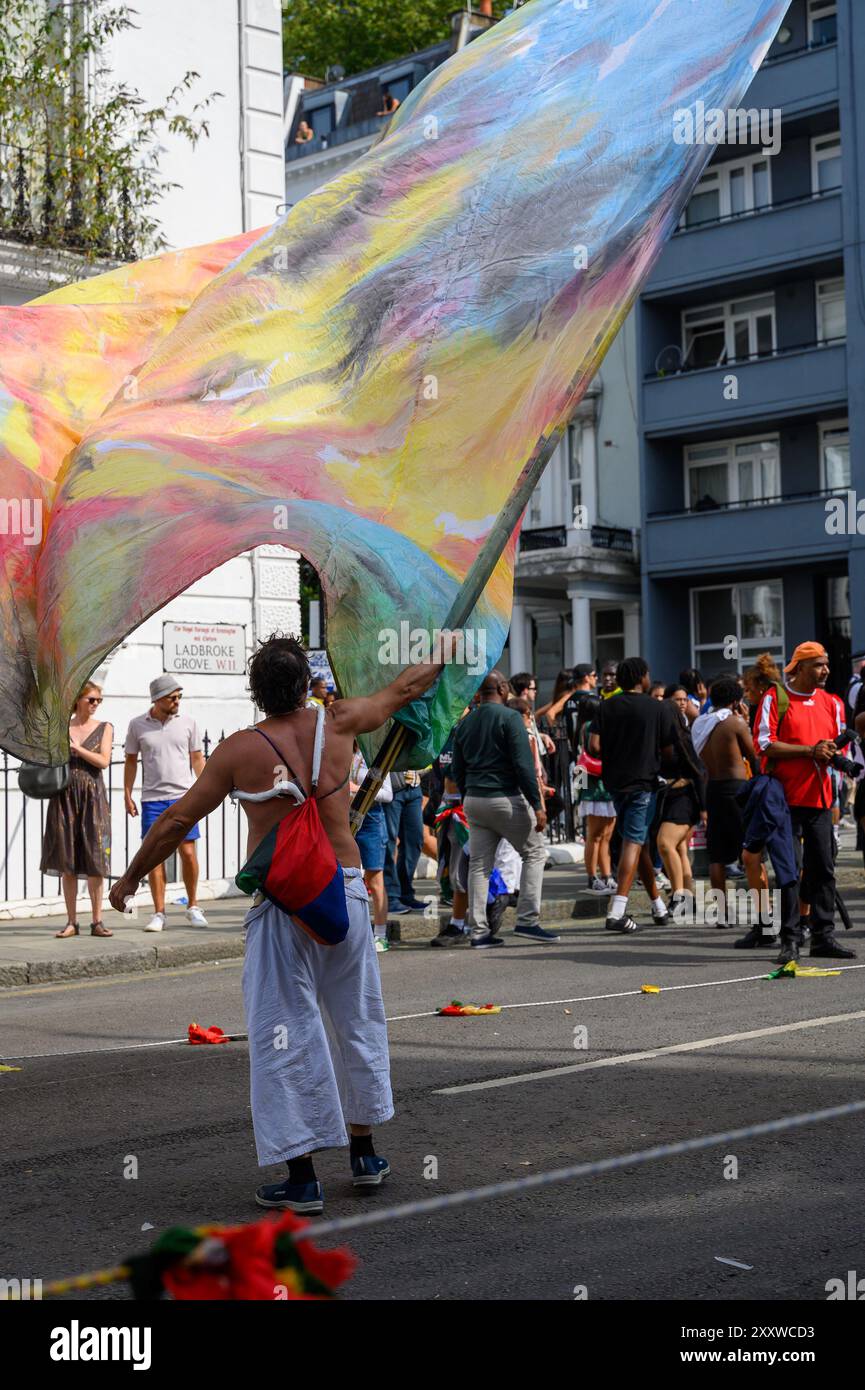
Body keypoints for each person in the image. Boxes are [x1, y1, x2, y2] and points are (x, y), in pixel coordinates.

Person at [110, 630, 458, 1213]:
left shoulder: (238, 751)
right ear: (305, 685)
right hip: (345, 893)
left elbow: (174, 820)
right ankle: (364, 1156)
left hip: (283, 902)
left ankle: (302, 1179)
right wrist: (447, 645)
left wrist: (128, 879)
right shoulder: (340, 721)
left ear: (255, 691)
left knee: (285, 1030)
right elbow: (409, 685)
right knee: (356, 1019)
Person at [755, 641, 855, 964]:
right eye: (818, 664)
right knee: (789, 873)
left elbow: (836, 749)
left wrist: (835, 756)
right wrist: (809, 750)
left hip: (821, 799)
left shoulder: (834, 703)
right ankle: (790, 939)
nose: (825, 670)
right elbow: (765, 744)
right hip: (783, 801)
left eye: (826, 664)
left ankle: (823, 935)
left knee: (823, 868)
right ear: (799, 668)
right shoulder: (775, 699)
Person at [452, 669, 554, 946]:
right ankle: (527, 920)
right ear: (501, 688)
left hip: (474, 800)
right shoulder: (510, 718)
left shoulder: (466, 722)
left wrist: (468, 792)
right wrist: (537, 805)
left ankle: (479, 932)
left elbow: (456, 768)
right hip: (505, 799)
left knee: (479, 865)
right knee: (534, 853)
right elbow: (523, 766)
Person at [590, 657, 676, 934]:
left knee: (640, 845)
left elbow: (593, 746)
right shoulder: (656, 708)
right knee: (633, 841)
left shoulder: (606, 706)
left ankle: (658, 907)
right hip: (644, 784)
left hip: (615, 783)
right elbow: (668, 751)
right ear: (641, 678)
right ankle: (617, 911)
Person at [124, 677, 207, 932]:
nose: (177, 702)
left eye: (179, 697)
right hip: (152, 799)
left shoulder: (188, 723)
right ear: (157, 699)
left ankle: (193, 906)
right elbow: (130, 761)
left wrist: (206, 789)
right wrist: (127, 793)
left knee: (188, 852)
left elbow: (197, 758)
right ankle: (159, 913)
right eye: (172, 697)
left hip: (183, 797)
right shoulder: (137, 725)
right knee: (154, 858)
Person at [41, 681, 114, 938]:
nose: (95, 705)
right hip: (64, 796)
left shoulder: (105, 728)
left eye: (98, 701)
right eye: (91, 699)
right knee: (66, 860)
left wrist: (78, 749)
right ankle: (72, 921)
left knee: (95, 858)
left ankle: (97, 920)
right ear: (78, 700)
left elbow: (104, 761)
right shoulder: (63, 727)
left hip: (92, 796)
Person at [693, 676, 758, 927]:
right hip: (738, 789)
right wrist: (747, 722)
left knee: (717, 855)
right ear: (735, 701)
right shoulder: (735, 723)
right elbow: (753, 758)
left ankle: (722, 913)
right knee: (752, 851)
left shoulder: (701, 723)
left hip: (713, 789)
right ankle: (764, 911)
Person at [655, 686, 706, 913]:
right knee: (680, 849)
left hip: (684, 799)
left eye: (686, 699)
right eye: (679, 700)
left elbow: (699, 773)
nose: (683, 703)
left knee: (665, 844)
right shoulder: (663, 740)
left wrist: (704, 808)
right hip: (670, 797)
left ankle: (679, 896)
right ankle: (689, 897)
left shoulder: (684, 738)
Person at [349, 743, 393, 953]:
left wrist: (359, 790)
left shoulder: (377, 754)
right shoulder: (345, 750)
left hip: (371, 819)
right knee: (348, 879)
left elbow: (388, 794)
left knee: (375, 880)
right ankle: (356, 933)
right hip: (347, 819)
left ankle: (381, 934)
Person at [575, 706, 616, 894]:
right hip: (596, 787)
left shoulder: (587, 726)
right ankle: (593, 877)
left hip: (603, 786)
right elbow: (590, 752)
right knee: (596, 835)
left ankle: (607, 875)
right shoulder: (590, 727)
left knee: (605, 836)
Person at [383, 768, 426, 914]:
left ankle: (405, 893)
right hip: (392, 788)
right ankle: (390, 897)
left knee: (415, 842)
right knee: (388, 842)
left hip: (414, 786)